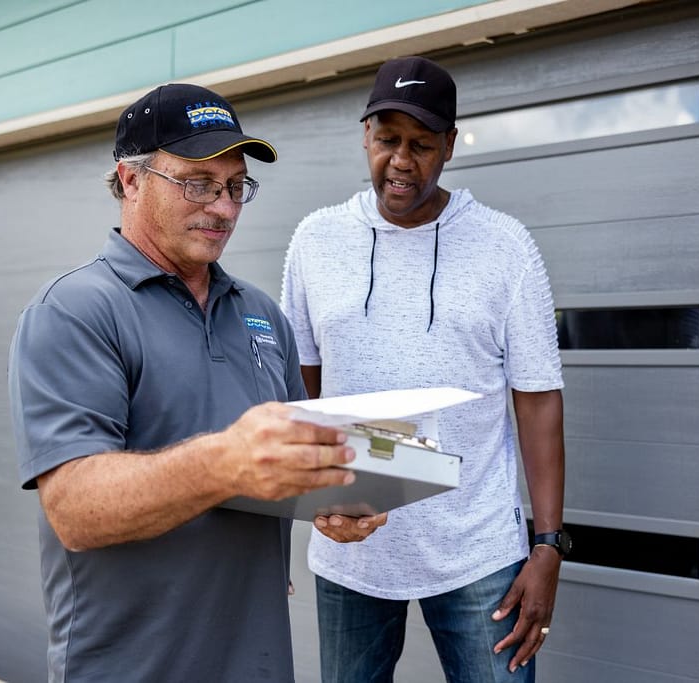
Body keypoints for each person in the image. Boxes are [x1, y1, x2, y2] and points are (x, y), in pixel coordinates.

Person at [8, 83, 364, 683]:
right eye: (198, 183)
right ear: (129, 180)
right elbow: (75, 508)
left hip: (259, 661)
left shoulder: (260, 312)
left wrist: (336, 500)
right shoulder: (75, 310)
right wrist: (226, 461)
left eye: (235, 187)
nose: (223, 208)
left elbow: (289, 459)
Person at [281, 56, 569, 682]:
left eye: (421, 144)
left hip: (479, 553)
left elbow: (539, 399)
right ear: (365, 138)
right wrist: (310, 502)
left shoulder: (504, 245)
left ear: (450, 146)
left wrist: (547, 547)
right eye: (387, 140)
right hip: (350, 547)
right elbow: (299, 386)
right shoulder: (315, 240)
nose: (402, 161)